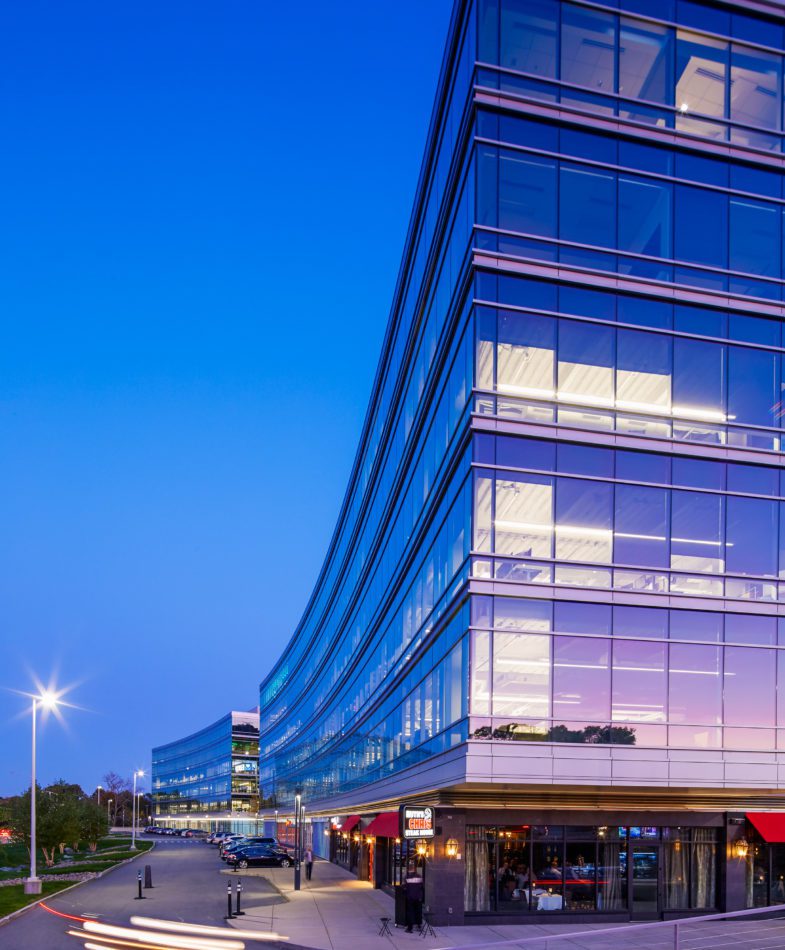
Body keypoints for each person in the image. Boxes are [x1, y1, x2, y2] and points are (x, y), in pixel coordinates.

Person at [404, 863, 424, 933]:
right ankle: (419, 926)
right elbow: (421, 886)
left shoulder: (407, 877)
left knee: (410, 912)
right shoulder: (419, 876)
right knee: (418, 911)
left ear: (408, 869)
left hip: (410, 897)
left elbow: (405, 887)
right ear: (414, 869)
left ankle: (410, 928)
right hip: (418, 897)